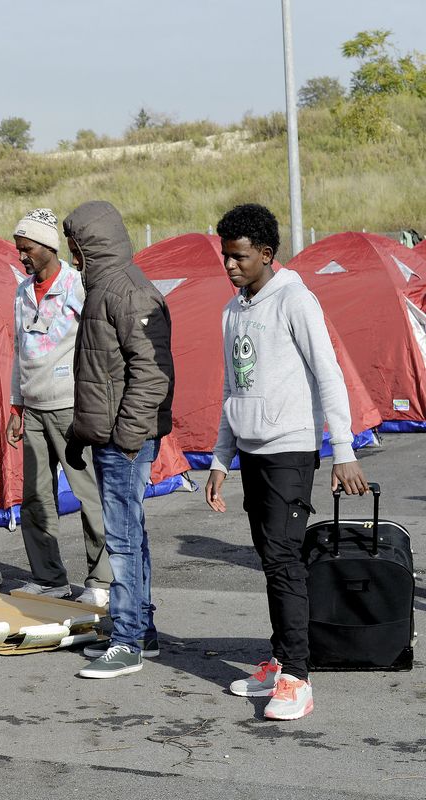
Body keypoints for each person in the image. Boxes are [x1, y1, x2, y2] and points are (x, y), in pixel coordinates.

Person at [205, 204, 368, 721]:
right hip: (251, 452)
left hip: (290, 450)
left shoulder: (296, 300)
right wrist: (219, 460)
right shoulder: (233, 311)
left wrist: (342, 450)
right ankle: (279, 660)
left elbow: (329, 374)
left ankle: (297, 676)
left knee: (282, 560)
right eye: (226, 257)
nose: (230, 266)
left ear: (267, 254)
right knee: (272, 560)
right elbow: (234, 388)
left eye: (239, 257)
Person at [61, 201, 174, 680]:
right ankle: (139, 627)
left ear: (90, 244)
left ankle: (127, 642)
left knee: (122, 541)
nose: (72, 258)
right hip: (111, 436)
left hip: (123, 440)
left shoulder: (125, 290)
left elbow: (151, 373)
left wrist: (125, 437)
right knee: (130, 534)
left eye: (74, 248)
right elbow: (100, 376)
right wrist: (80, 434)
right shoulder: (108, 286)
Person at [4, 208, 110, 608]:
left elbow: (99, 340)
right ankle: (48, 577)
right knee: (35, 496)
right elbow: (19, 350)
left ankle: (101, 580)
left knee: (88, 495)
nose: (21, 256)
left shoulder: (76, 285)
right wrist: (16, 404)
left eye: (27, 249)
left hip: (70, 407)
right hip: (32, 407)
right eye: (18, 250)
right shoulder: (20, 292)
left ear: (48, 246)